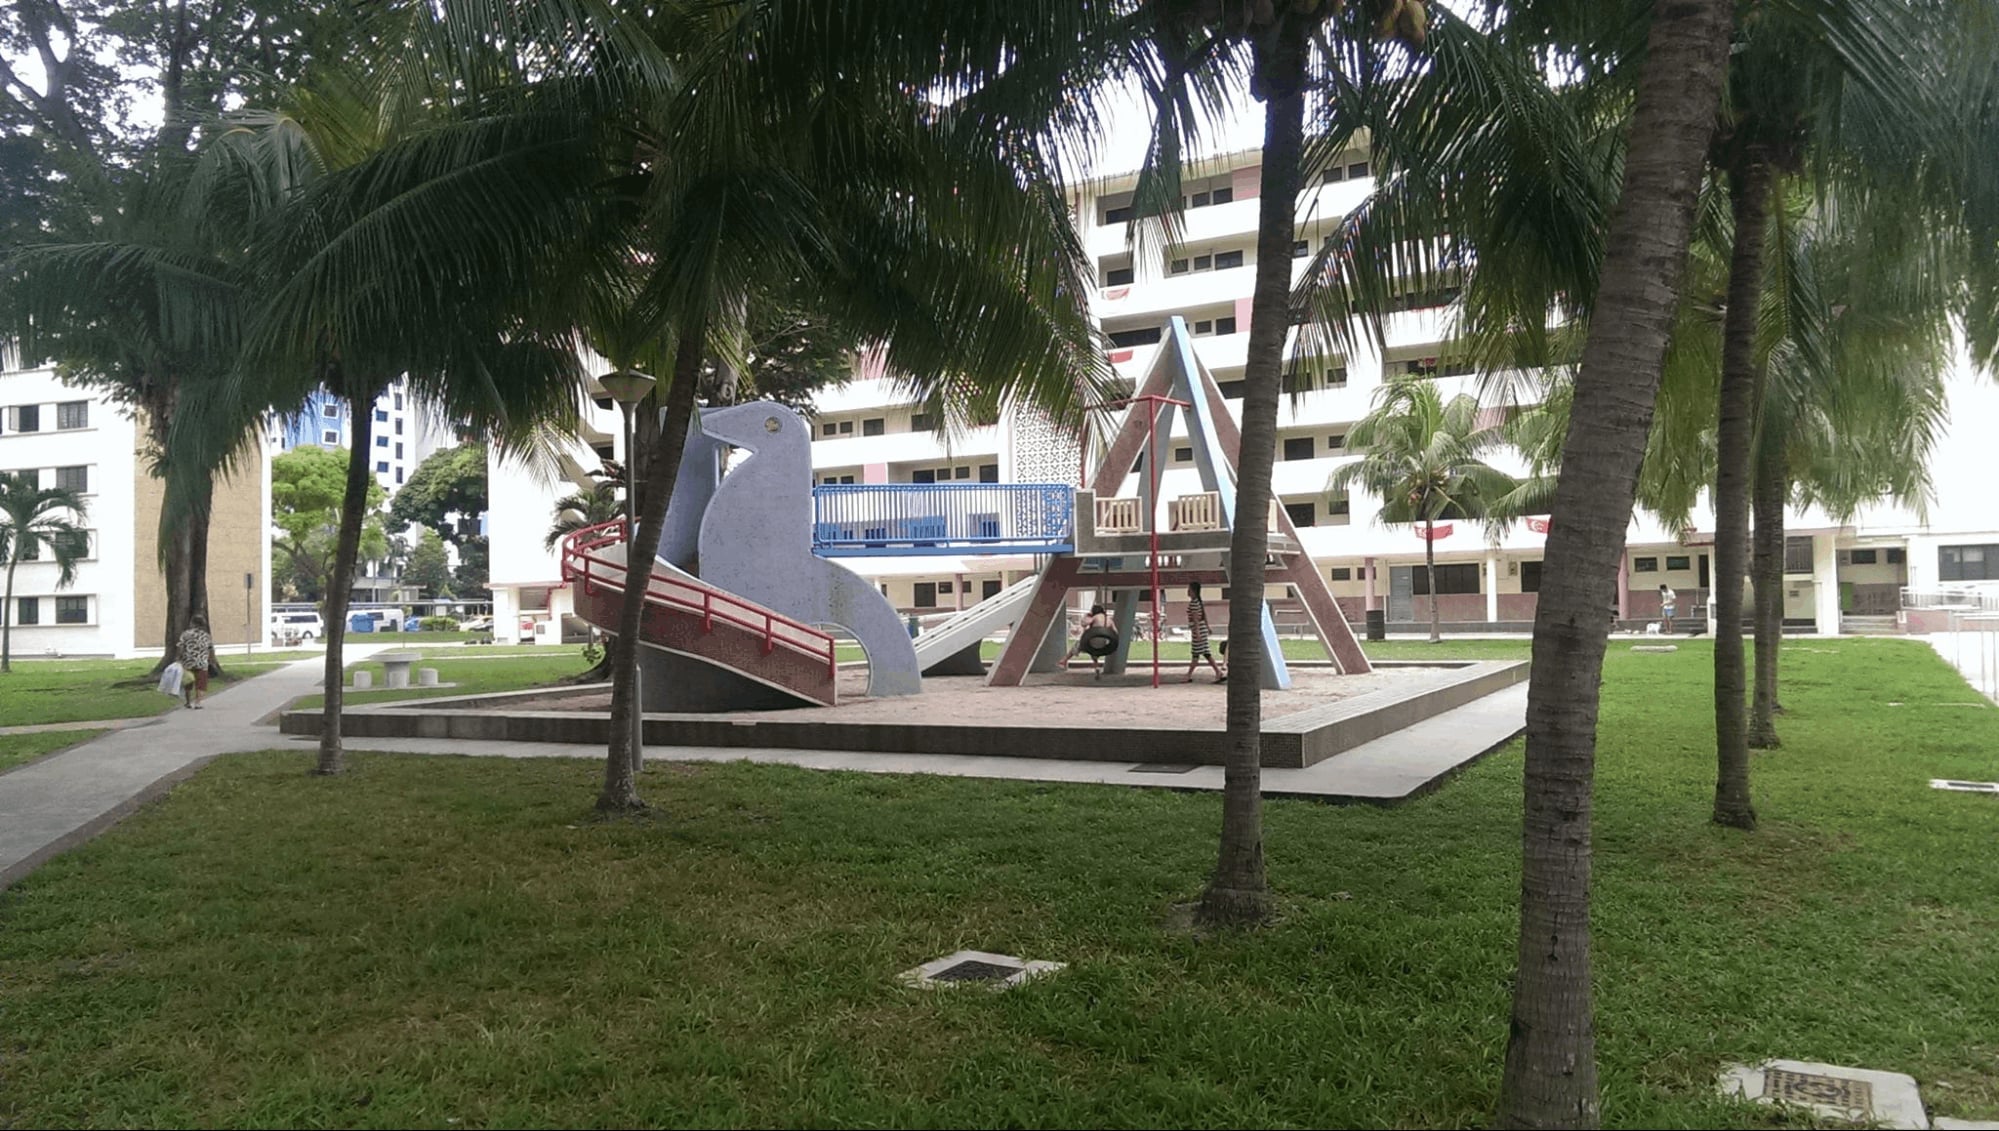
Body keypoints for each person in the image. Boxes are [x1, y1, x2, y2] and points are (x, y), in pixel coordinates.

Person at [1183, 582, 1225, 684]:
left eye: (1189, 589)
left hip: (1198, 630)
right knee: (1205, 653)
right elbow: (1203, 615)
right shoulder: (1198, 602)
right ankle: (1217, 672)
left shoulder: (1194, 603)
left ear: (1194, 591)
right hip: (1201, 629)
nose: (1188, 591)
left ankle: (1188, 675)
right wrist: (1207, 627)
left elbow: (1196, 618)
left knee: (1196, 654)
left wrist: (1197, 632)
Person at [1066, 603, 1115, 678]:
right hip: (1104, 642)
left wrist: (1086, 616)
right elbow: (1115, 632)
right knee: (1093, 653)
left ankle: (1064, 660)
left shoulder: (1095, 617)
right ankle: (1097, 667)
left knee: (1078, 644)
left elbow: (1084, 624)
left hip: (1093, 640)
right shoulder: (1109, 619)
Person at [177, 613, 213, 710]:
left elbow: (181, 647)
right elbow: (210, 648)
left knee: (188, 682)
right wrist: (209, 659)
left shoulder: (185, 634)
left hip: (188, 662)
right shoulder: (206, 636)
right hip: (202, 662)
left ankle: (188, 702)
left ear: (192, 623)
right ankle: (198, 703)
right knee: (201, 683)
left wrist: (179, 658)